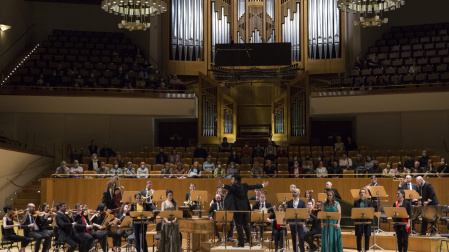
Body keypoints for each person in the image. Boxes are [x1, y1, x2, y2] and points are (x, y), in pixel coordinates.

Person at [217, 175, 268, 247]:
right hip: (245, 209)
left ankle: (241, 243)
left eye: (232, 179)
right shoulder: (244, 185)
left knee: (238, 225)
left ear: (236, 180)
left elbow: (229, 187)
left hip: (238, 209)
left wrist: (222, 185)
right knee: (246, 225)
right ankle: (250, 243)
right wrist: (262, 185)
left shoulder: (234, 187)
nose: (231, 180)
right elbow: (253, 186)